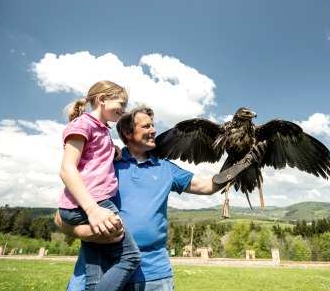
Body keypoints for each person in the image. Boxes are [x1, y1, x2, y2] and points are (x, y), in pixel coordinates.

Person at [55, 104, 266, 291]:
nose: (154, 130)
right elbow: (61, 217)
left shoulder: (165, 169)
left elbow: (207, 185)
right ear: (128, 133)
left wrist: (244, 163)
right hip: (101, 272)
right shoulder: (104, 165)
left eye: (153, 125)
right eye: (146, 126)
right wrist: (87, 232)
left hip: (154, 275)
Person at [58, 80, 141, 291]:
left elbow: (91, 156)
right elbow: (67, 168)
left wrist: (111, 149)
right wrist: (93, 209)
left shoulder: (101, 130)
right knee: (130, 258)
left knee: (95, 275)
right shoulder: (82, 124)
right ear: (102, 99)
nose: (124, 110)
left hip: (88, 205)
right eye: (121, 104)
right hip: (93, 204)